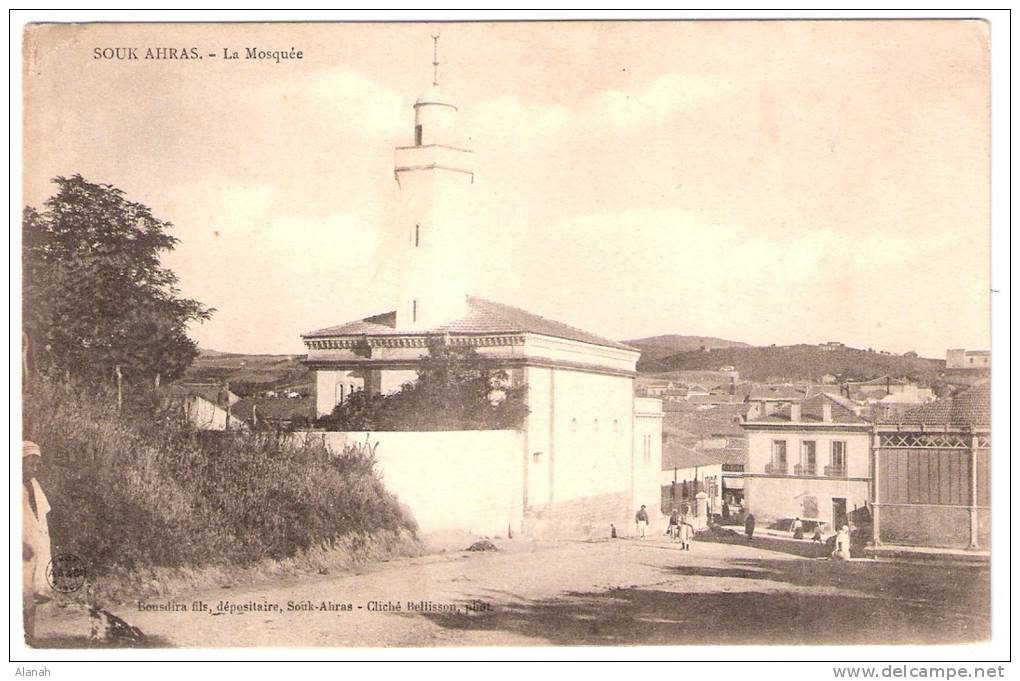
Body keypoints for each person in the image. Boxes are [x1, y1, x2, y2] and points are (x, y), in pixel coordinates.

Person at [23, 441, 52, 645]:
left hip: (35, 546)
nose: (33, 469)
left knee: (31, 592)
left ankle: (29, 636)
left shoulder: (34, 486)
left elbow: (41, 516)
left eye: (36, 465)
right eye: (28, 464)